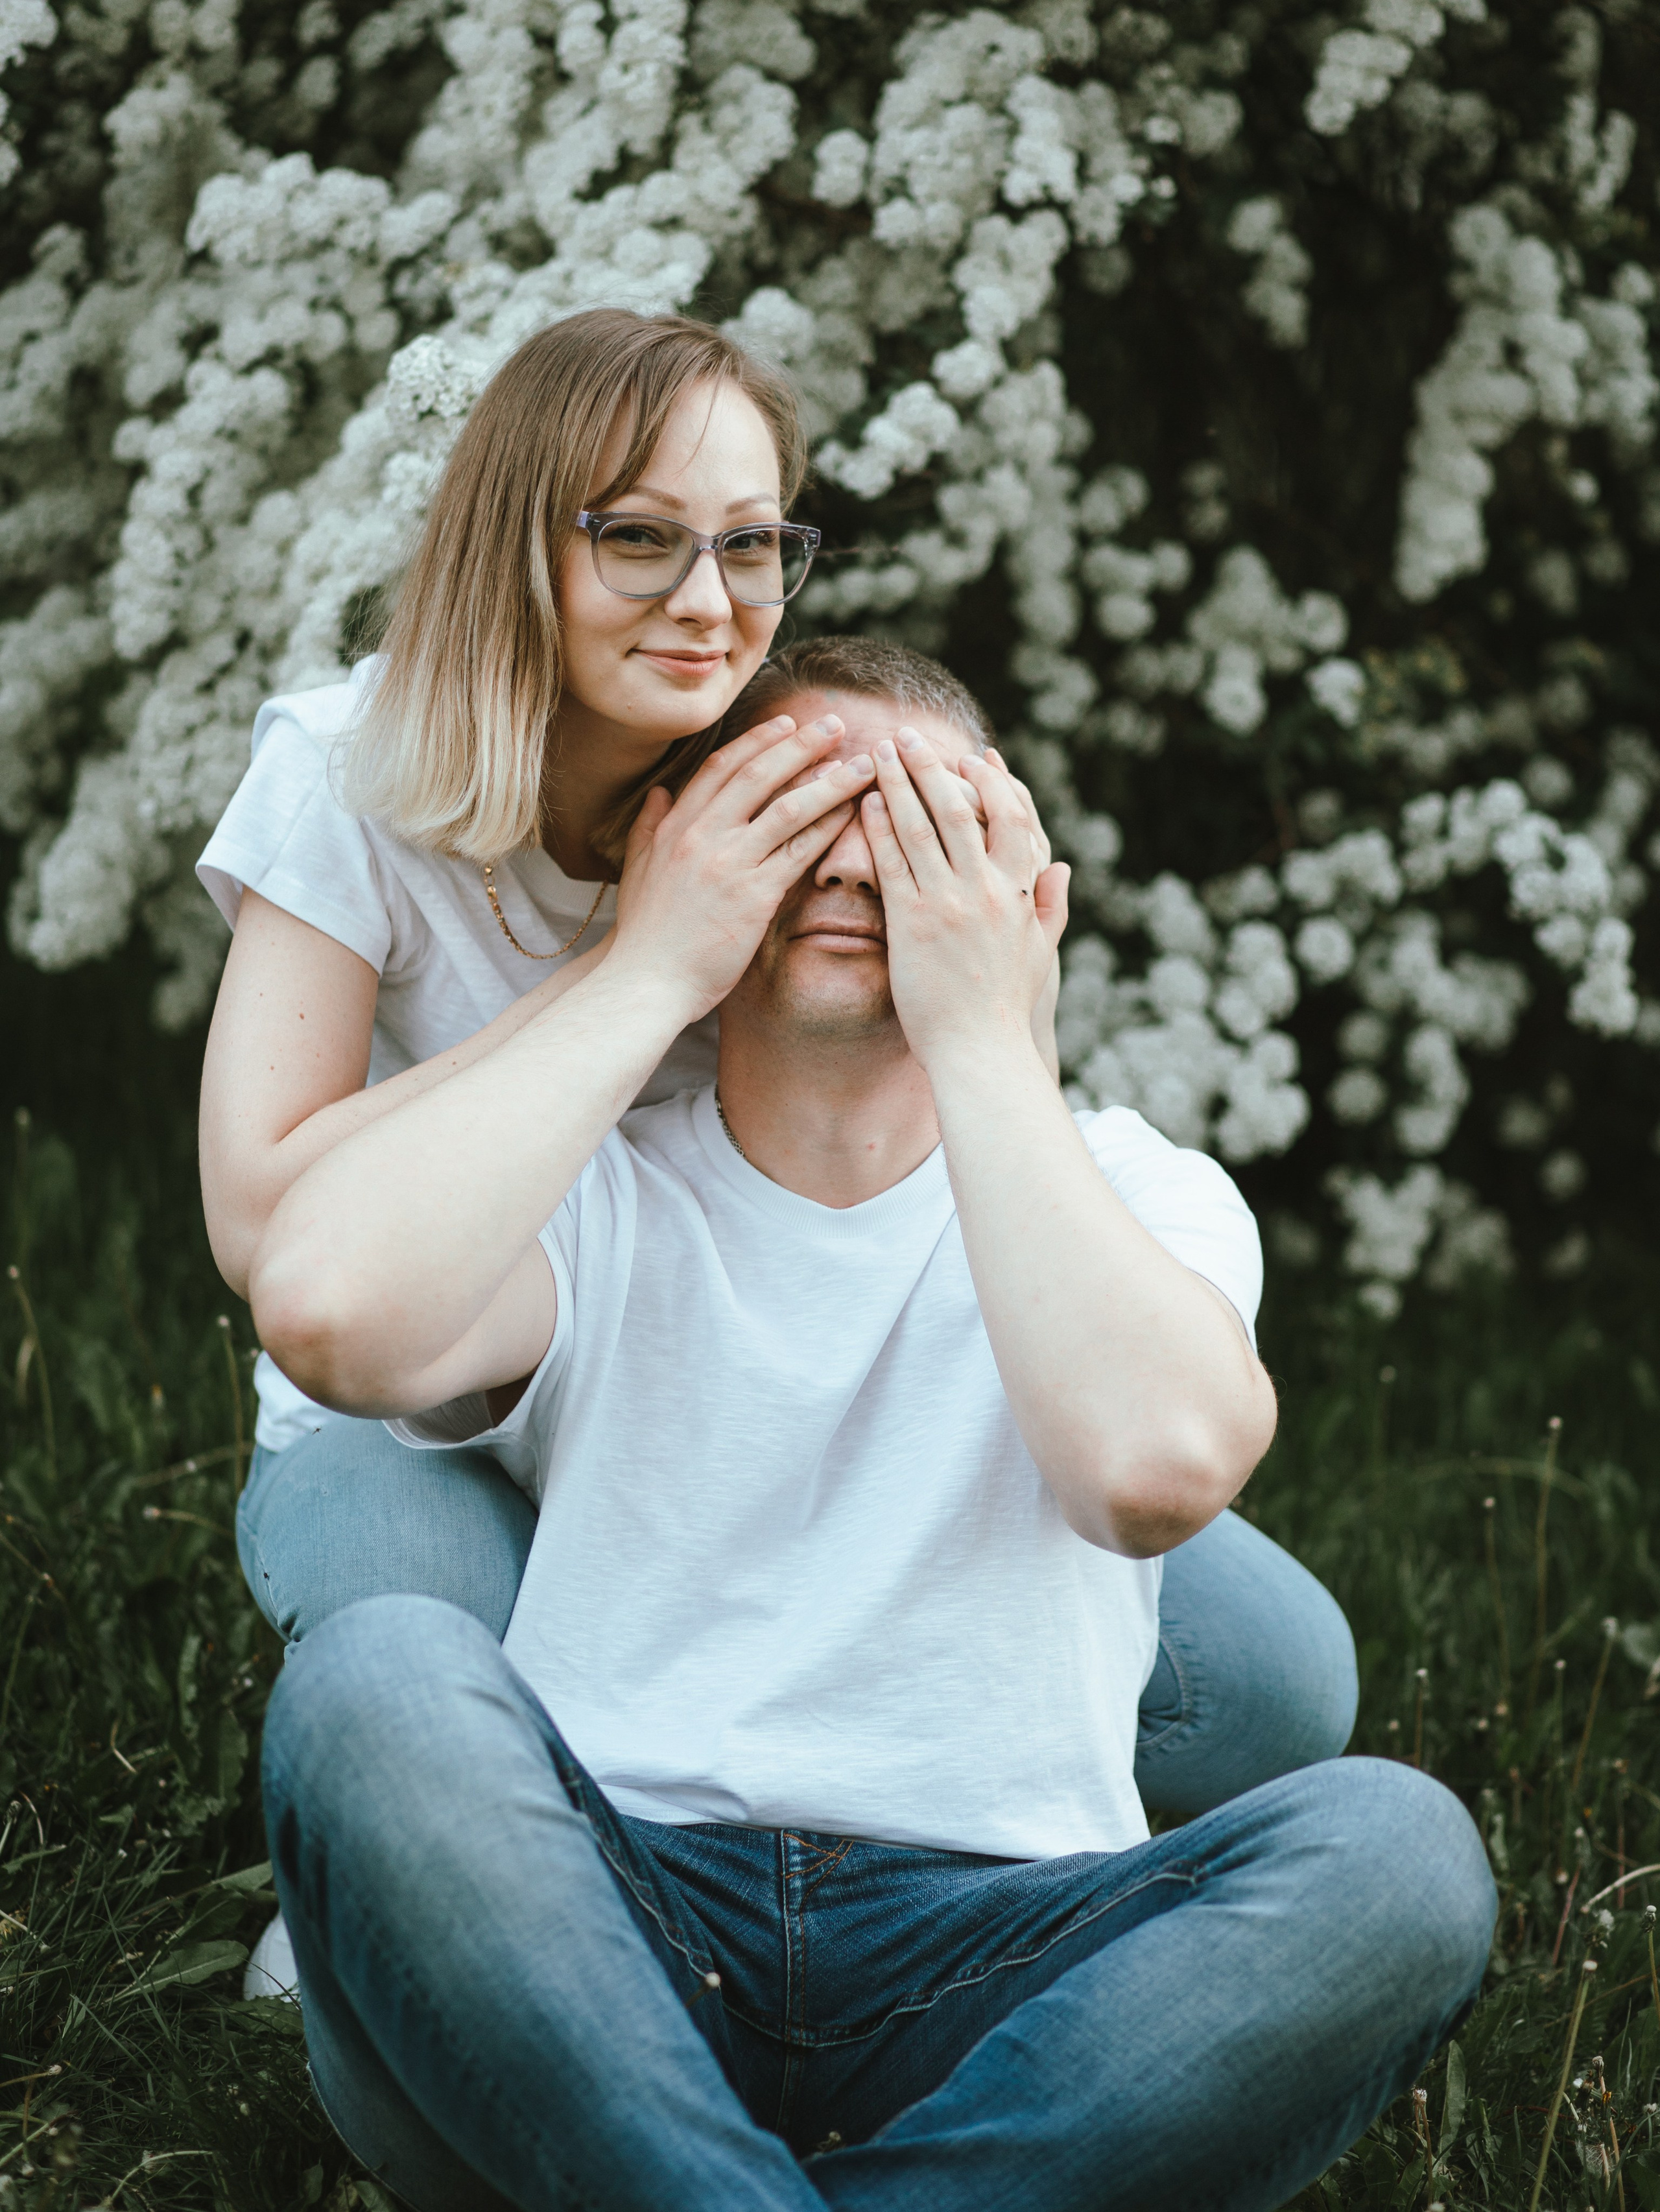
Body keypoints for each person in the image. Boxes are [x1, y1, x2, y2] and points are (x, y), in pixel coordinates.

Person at [247, 656, 1497, 2211]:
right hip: (603, 1933)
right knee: (372, 1681)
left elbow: (1150, 1468)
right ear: (678, 858)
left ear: (1024, 900)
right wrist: (645, 968)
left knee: (1400, 1850)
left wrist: (985, 1039)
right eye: (789, 814)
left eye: (917, 825)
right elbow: (323, 1308)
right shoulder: (594, 1177)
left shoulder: (1138, 1192)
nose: (848, 858)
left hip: (995, 1945)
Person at [196, 314, 1357, 1949]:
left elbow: (933, 1095)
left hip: (707, 1367)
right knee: (439, 1635)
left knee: (1271, 1674)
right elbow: (266, 1243)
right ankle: (406, 1906)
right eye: (641, 539)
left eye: (750, 547)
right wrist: (643, 962)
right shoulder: (358, 769)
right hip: (424, 1375)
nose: (705, 601)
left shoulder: (772, 756)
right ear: (519, 542)